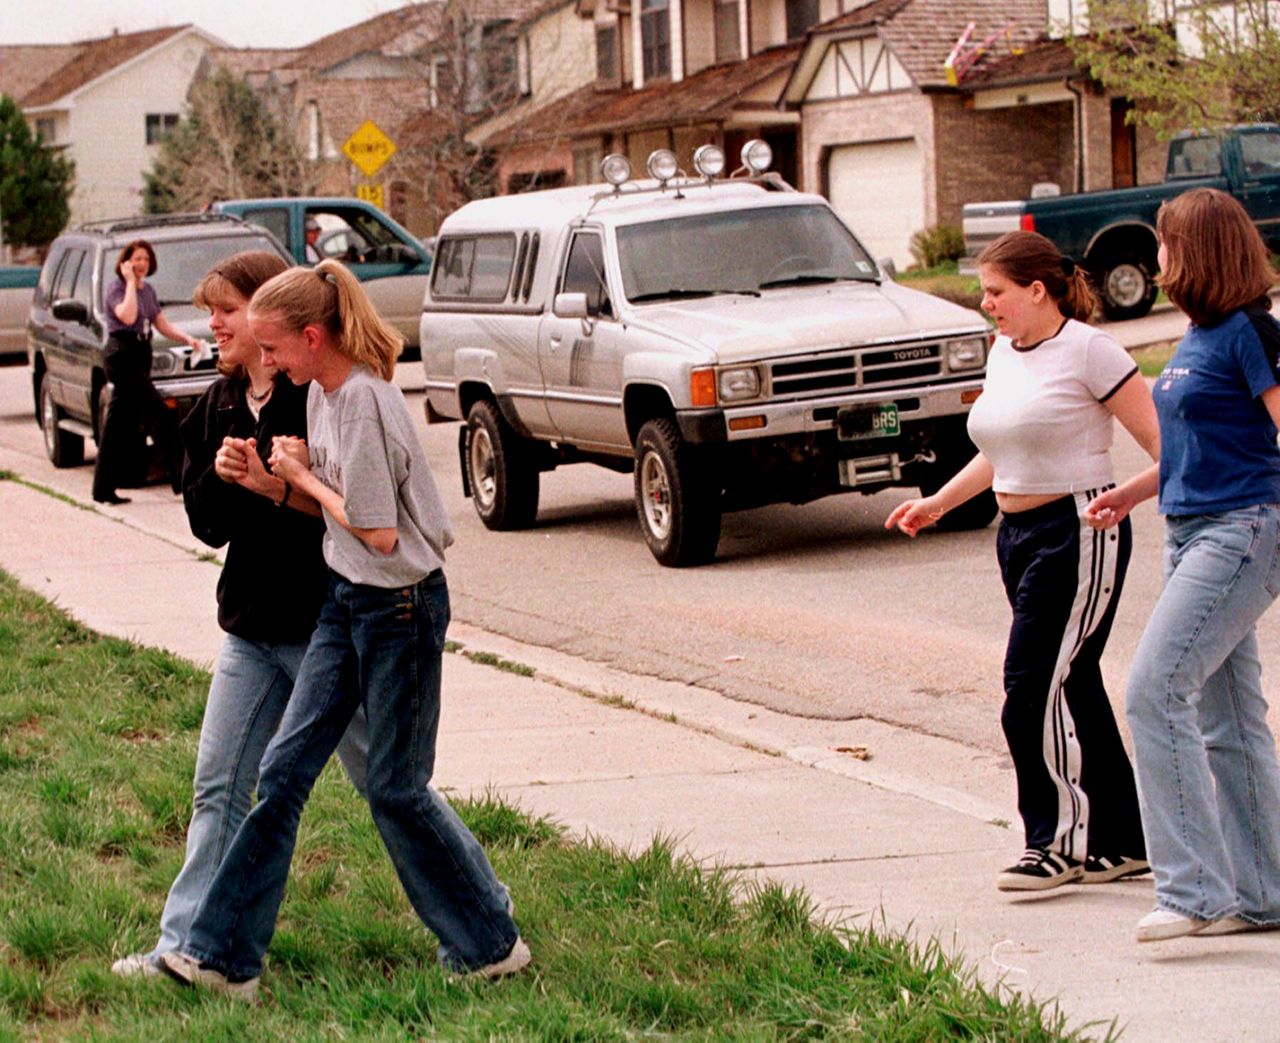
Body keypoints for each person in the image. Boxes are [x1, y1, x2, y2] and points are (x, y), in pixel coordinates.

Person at [159, 259, 527, 999]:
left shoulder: (359, 400)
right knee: (281, 776)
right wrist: (273, 481)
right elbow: (334, 517)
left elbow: (381, 534)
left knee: (394, 788)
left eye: (274, 347)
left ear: (312, 335)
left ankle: (490, 939)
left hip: (398, 608)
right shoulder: (322, 395)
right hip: (343, 603)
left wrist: (296, 476)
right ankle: (221, 958)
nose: (266, 361)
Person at [110, 251, 370, 978]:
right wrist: (227, 481)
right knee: (219, 786)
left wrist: (274, 484)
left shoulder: (314, 397)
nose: (213, 323)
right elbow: (206, 525)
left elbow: (350, 521)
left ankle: (484, 917)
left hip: (326, 628)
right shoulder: (217, 404)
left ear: (270, 313)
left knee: (389, 783)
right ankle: (184, 948)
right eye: (212, 310)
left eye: (226, 309)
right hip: (252, 631)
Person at [885, 230, 1160, 892]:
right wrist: (939, 503)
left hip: (1078, 528)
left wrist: (1124, 496)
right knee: (1075, 682)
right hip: (1018, 534)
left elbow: (1166, 445)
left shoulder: (1090, 350)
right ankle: (1123, 841)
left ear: (1038, 290)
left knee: (1029, 689)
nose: (986, 304)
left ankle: (1057, 844)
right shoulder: (1005, 352)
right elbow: (1000, 450)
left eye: (996, 292)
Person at [1084, 188, 1280, 942]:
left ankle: (1191, 891)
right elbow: (1198, 447)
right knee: (1227, 716)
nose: (1157, 255)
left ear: (1194, 250)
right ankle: (1260, 893)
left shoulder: (1251, 331)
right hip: (1190, 528)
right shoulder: (1197, 336)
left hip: (1243, 530)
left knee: (1154, 689)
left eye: (1165, 242)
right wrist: (1132, 491)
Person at [92, 239, 203, 505]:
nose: (142, 264)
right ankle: (183, 482)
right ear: (125, 262)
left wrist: (187, 339)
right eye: (136, 259)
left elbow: (160, 323)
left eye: (145, 259)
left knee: (118, 426)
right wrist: (130, 282)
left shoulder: (148, 290)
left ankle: (103, 489)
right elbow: (128, 318)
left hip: (141, 354)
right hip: (122, 355)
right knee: (162, 418)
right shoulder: (117, 288)